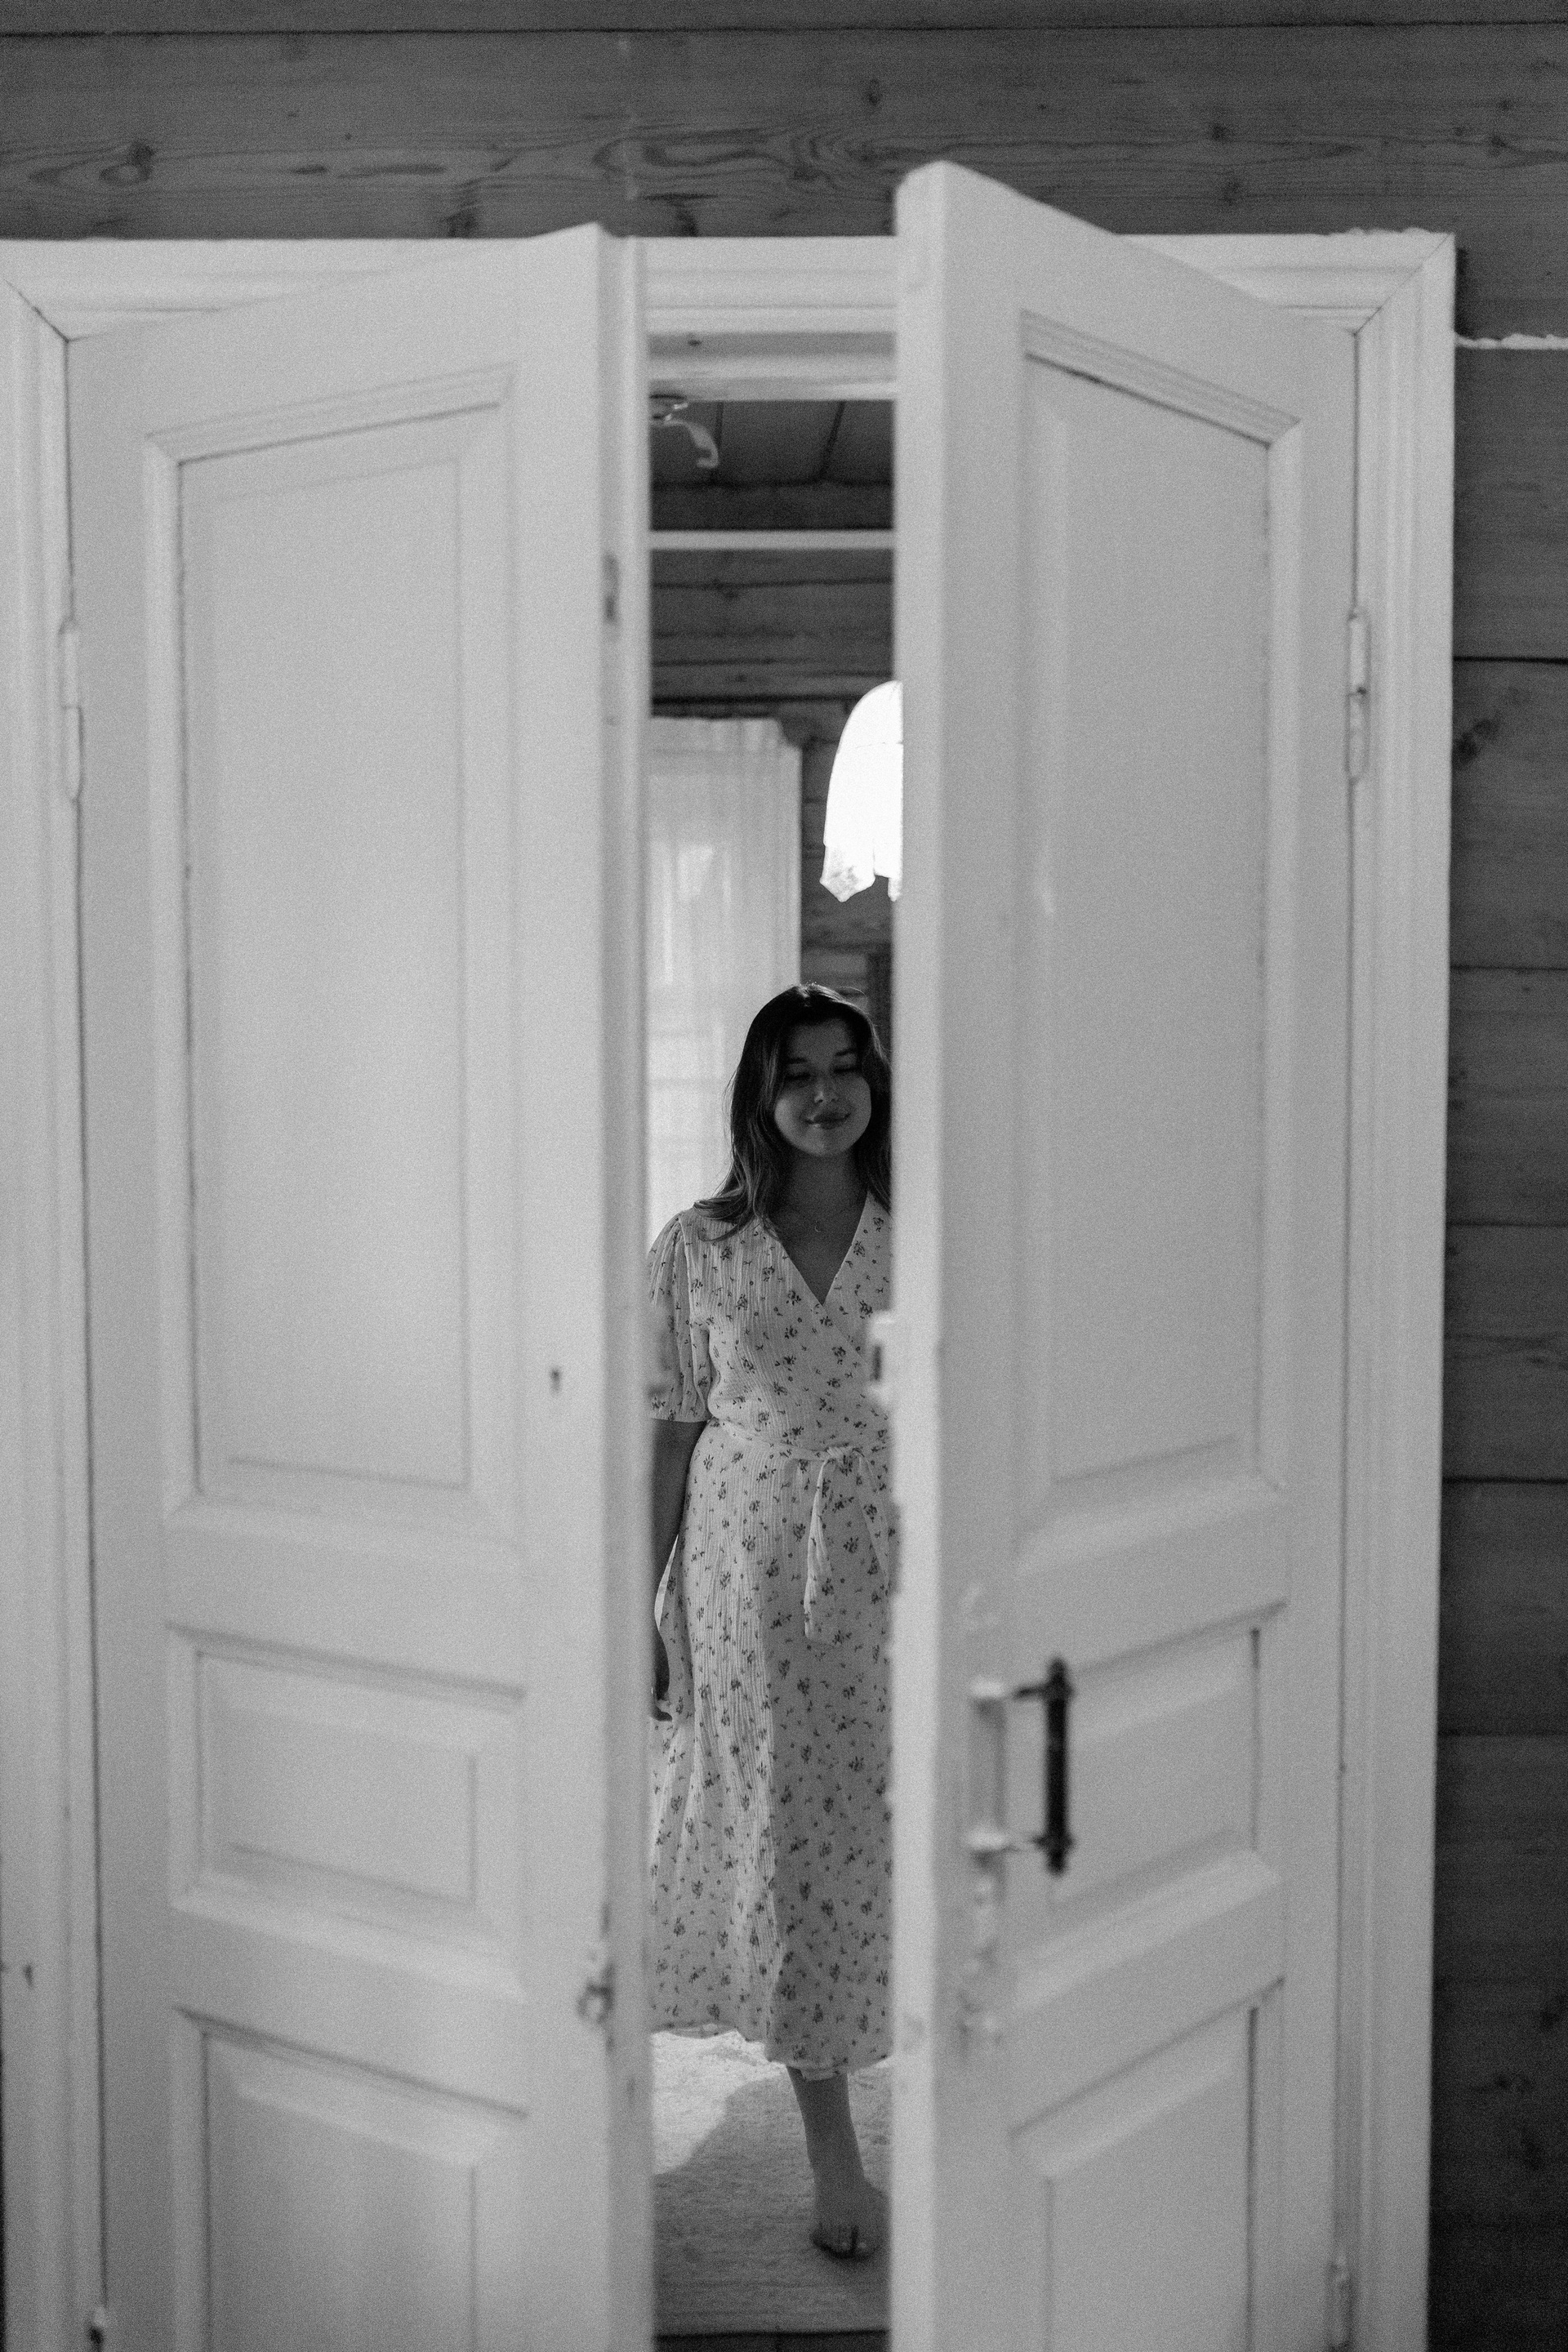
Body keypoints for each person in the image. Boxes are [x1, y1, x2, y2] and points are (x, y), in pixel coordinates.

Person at [647, 983, 893, 2261]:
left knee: (905, 1822)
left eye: (845, 1066)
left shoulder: (924, 1232)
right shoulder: (699, 1244)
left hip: (895, 1558)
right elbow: (670, 1431)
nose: (824, 1093)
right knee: (790, 1833)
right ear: (759, 1091)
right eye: (797, 1072)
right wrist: (636, 1604)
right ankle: (833, 2150)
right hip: (742, 1570)